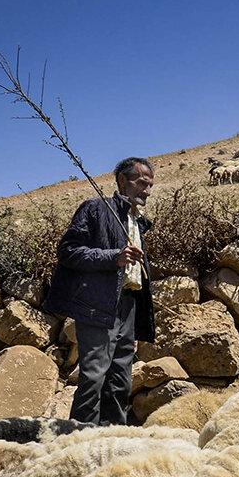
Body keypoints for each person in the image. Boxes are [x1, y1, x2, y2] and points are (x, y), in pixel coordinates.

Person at [45, 158, 157, 426]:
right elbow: (68, 252)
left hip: (128, 307)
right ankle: (77, 442)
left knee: (120, 380)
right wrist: (113, 257)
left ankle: (112, 440)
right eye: (142, 183)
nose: (147, 191)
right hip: (97, 305)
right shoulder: (95, 209)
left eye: (150, 185)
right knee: (94, 377)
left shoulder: (137, 222)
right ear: (122, 181)